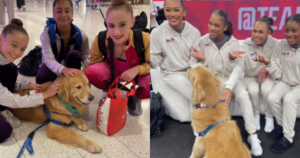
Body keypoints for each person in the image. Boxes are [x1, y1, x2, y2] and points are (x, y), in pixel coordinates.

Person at [192, 10, 262, 156]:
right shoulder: (203, 41)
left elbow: (239, 67)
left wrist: (229, 87)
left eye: (217, 25)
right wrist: (203, 61)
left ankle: (253, 135)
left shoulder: (233, 42)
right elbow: (196, 65)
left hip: (231, 78)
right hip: (212, 79)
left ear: (225, 27)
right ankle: (203, 134)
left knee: (243, 95)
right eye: (210, 23)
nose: (211, 27)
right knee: (202, 95)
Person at [84, 0, 150, 116]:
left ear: (132, 22)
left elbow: (155, 64)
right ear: (106, 24)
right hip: (113, 74)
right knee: (91, 72)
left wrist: (137, 69)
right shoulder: (101, 39)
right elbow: (91, 64)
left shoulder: (145, 39)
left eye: (122, 25)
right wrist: (77, 81)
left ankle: (135, 97)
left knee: (152, 81)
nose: (116, 32)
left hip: (136, 76)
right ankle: (108, 91)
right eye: (111, 26)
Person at [0, 19, 59, 144]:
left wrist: (27, 84)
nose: (18, 53)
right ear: (0, 39)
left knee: (11, 69)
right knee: (4, 130)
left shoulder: (6, 63)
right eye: (14, 45)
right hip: (6, 99)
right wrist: (43, 95)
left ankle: (1, 108)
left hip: (2, 96)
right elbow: (13, 100)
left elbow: (4, 84)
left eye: (22, 49)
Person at [254, 13, 300, 153]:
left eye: (294, 30)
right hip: (286, 82)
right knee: (272, 97)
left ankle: (288, 137)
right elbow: (278, 73)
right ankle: (280, 125)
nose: (289, 34)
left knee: (289, 99)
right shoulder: (281, 46)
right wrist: (268, 64)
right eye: (287, 30)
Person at [150, 0, 203, 121]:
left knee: (188, 115)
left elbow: (195, 60)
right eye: (168, 10)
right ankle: (206, 112)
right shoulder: (158, 33)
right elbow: (154, 60)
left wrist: (198, 72)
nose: (172, 14)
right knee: (194, 104)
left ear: (184, 12)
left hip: (190, 72)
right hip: (171, 74)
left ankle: (203, 118)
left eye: (176, 10)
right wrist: (146, 59)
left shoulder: (194, 32)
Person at [36, 0, 90, 84]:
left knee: (75, 54)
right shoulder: (46, 35)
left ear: (72, 13)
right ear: (54, 14)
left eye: (67, 11)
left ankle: (73, 83)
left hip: (72, 66)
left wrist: (87, 69)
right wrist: (63, 70)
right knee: (41, 77)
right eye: (59, 11)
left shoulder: (81, 35)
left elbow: (85, 56)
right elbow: (48, 59)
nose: (63, 15)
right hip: (54, 65)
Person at [241, 16, 278, 133]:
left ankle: (269, 117)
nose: (256, 35)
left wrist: (266, 68)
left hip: (267, 75)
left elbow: (278, 62)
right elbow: (240, 63)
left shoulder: (276, 44)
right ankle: (255, 115)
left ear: (269, 33)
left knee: (267, 90)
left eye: (261, 32)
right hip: (250, 76)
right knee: (253, 91)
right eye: (254, 31)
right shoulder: (245, 45)